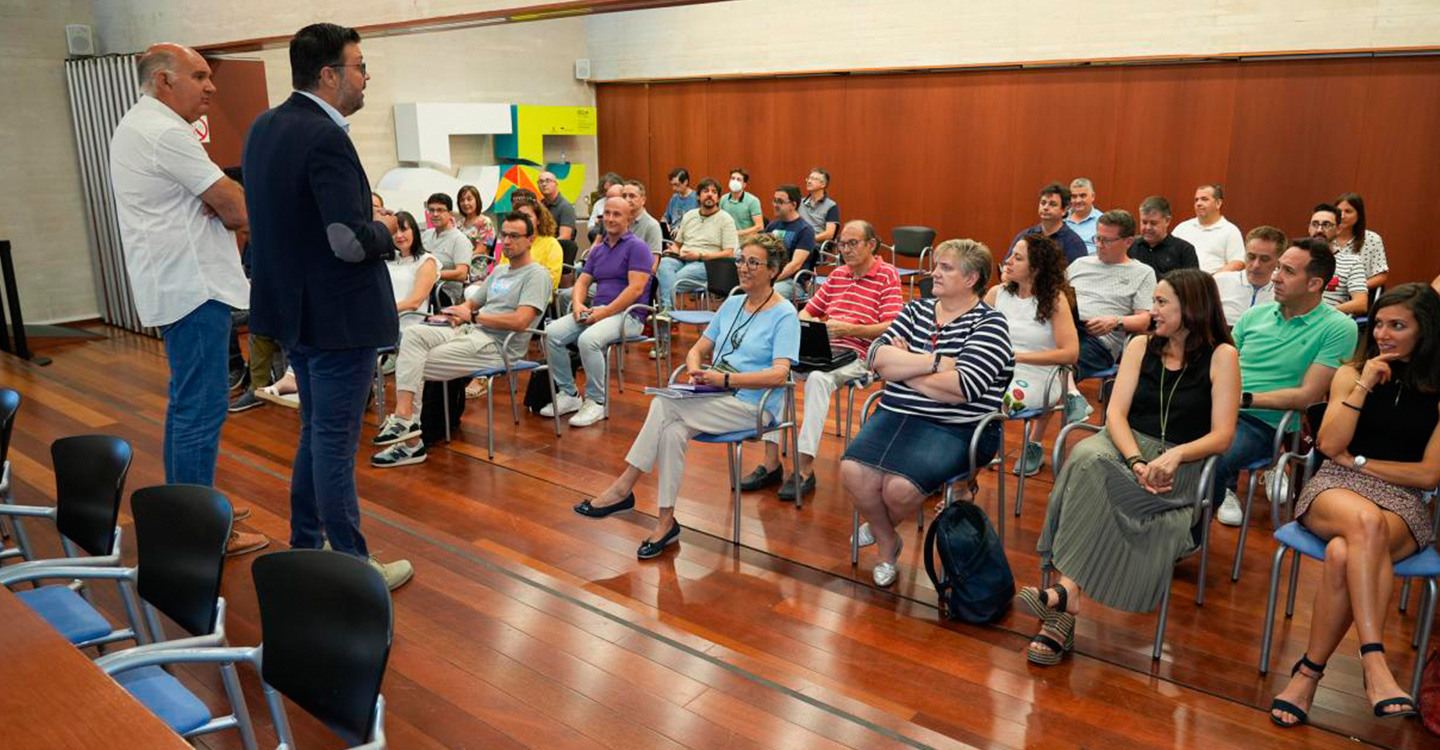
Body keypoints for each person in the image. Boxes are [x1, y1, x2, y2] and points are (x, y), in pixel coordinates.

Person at [243, 22, 410, 588]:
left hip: (294, 314)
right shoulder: (325, 137)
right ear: (330, 74)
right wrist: (386, 229)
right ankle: (352, 566)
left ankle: (306, 549)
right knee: (334, 444)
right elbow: (347, 241)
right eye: (360, 67)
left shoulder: (264, 127)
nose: (366, 79)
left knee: (316, 434)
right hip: (339, 318)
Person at [1023, 269, 1240, 665]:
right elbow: (1116, 416)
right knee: (1088, 457)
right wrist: (1136, 460)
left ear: (1190, 307)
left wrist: (1174, 455)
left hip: (1180, 463)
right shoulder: (1141, 346)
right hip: (1124, 447)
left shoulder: (1222, 356)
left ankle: (1062, 602)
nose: (1150, 311)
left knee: (1091, 471)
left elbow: (1223, 436)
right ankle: (1065, 599)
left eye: (1161, 303)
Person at [110, 42, 266, 556]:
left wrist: (219, 205)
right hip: (192, 287)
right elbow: (237, 208)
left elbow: (222, 206)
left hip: (180, 284)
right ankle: (199, 532)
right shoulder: (164, 132)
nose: (211, 86)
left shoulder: (140, 124)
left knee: (189, 407)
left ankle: (190, 508)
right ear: (163, 81)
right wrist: (225, 205)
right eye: (198, 76)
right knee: (200, 409)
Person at [1267, 283, 1440, 728]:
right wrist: (1365, 384)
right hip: (1334, 490)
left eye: (1397, 325)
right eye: (1380, 323)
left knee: (1347, 551)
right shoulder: (1352, 372)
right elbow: (1329, 445)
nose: (1383, 333)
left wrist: (1362, 464)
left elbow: (1428, 475)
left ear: (1427, 331)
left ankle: (1308, 673)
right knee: (1364, 521)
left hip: (1402, 502)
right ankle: (1374, 662)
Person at [572, 234, 799, 560]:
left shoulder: (785, 314)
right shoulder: (733, 303)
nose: (743, 268)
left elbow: (780, 375)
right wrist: (695, 371)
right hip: (716, 395)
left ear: (773, 270)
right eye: (741, 260)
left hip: (754, 405)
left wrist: (724, 377)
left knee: (664, 404)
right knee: (673, 431)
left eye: (753, 263)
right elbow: (697, 349)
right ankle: (665, 521)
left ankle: (623, 487)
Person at [843, 239, 1013, 587]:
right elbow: (876, 356)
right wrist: (933, 363)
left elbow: (964, 388)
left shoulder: (991, 324)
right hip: (896, 413)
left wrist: (902, 370)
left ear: (971, 278)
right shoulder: (915, 311)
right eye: (937, 265)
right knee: (852, 471)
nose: (933, 272)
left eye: (945, 267)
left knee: (899, 490)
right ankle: (888, 539)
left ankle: (880, 529)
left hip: (955, 427)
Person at [370, 212, 552, 467]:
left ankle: (411, 440)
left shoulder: (537, 275)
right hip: (469, 332)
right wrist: (454, 314)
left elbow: (521, 321)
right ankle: (405, 420)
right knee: (413, 335)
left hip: (498, 346)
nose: (507, 241)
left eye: (514, 236)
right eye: (504, 235)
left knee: (415, 362)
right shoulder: (500, 270)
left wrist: (474, 316)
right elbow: (472, 302)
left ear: (530, 239)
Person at [742, 220, 903, 501]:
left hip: (859, 353)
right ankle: (771, 464)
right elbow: (808, 312)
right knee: (780, 373)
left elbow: (892, 324)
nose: (846, 250)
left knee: (817, 380)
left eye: (853, 243)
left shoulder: (887, 275)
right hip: (824, 347)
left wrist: (850, 329)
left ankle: (804, 470)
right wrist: (808, 326)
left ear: (871, 245)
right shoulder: (838, 274)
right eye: (842, 244)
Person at [1213, 237, 1358, 527]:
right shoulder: (1255, 315)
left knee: (1212, 454)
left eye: (1288, 271)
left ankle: (1191, 530)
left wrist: (1243, 398)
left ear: (1315, 284)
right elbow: (1221, 362)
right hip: (1218, 404)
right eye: (1279, 267)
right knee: (1156, 436)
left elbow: (1308, 396)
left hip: (1263, 423)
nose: (1275, 277)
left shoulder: (1339, 327)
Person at [541, 198, 653, 427]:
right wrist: (579, 304)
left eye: (617, 214)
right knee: (551, 333)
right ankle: (569, 394)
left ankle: (596, 401)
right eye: (607, 214)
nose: (610, 219)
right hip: (598, 311)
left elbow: (636, 289)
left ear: (629, 219)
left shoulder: (638, 247)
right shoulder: (598, 250)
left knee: (588, 340)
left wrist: (603, 313)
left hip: (629, 315)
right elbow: (582, 282)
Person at [987, 232, 1080, 477]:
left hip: (1040, 375)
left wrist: (1017, 357)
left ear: (1036, 268)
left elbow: (1070, 353)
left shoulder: (1054, 299)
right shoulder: (998, 294)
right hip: (999, 369)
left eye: (1017, 258)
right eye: (1010, 255)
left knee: (989, 400)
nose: (1007, 261)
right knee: (959, 390)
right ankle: (975, 451)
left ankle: (1032, 444)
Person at [1067, 210, 1156, 378]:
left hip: (1096, 340)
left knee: (1060, 367)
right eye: (1097, 238)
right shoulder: (1080, 263)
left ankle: (1064, 395)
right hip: (1063, 328)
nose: (1099, 245)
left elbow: (1144, 320)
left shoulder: (1143, 273)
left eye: (1106, 240)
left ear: (1128, 242)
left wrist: (1116, 321)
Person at [656, 178, 738, 310]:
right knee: (663, 265)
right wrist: (674, 250)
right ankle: (668, 310)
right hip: (682, 258)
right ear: (698, 197)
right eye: (705, 191)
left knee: (674, 280)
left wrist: (700, 256)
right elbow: (678, 244)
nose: (710, 194)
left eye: (714, 192)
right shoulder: (690, 215)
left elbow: (729, 253)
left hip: (708, 263)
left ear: (718, 198)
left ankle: (667, 310)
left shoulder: (725, 219)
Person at [1215, 226, 1283, 327]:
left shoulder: (1285, 291)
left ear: (1278, 262)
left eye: (1264, 259)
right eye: (1251, 257)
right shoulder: (1218, 282)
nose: (1256, 265)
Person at [1309, 203, 1368, 315]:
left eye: (1326, 225)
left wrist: (1321, 314)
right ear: (1309, 228)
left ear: (1339, 229)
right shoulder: (1295, 258)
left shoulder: (1352, 262)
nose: (1319, 230)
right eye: (1315, 224)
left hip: (1328, 322)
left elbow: (1360, 304)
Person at [1173, 184, 1245, 274]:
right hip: (1182, 281)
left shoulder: (1230, 230)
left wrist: (1209, 280)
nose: (1198, 203)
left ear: (1218, 203)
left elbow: (1237, 262)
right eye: (1196, 200)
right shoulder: (1182, 228)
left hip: (1213, 284)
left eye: (1204, 199)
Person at [1009, 182, 1087, 264]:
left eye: (1052, 204)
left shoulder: (1074, 244)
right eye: (1043, 203)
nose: (1045, 207)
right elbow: (1007, 266)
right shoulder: (1024, 236)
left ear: (1064, 210)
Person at [765, 184, 818, 304]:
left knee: (767, 294)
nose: (775, 205)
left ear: (793, 205)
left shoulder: (805, 230)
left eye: (780, 201)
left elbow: (795, 265)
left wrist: (770, 279)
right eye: (774, 200)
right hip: (770, 276)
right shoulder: (772, 226)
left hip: (792, 281)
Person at [386, 211, 438, 326]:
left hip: (407, 321)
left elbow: (414, 302)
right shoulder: (390, 260)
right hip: (386, 317)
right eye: (394, 231)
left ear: (414, 231)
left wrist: (384, 311)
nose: (399, 235)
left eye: (403, 230)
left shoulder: (426, 261)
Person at [503, 190, 564, 287]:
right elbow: (500, 273)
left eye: (528, 217)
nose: (523, 221)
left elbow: (551, 282)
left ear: (538, 220)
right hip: (507, 291)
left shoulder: (551, 244)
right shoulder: (509, 243)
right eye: (519, 217)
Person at [1129, 195, 1199, 278]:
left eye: (1153, 223)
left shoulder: (1185, 250)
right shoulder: (1130, 245)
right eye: (1144, 222)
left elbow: (1192, 286)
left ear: (1167, 221)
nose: (1148, 227)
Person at [421, 192, 472, 305]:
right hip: (424, 285)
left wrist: (434, 274)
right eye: (431, 210)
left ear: (450, 213)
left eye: (440, 210)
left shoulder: (460, 240)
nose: (435, 214)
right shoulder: (426, 235)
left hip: (444, 292)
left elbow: (461, 274)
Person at [1334, 192, 1388, 290]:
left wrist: (1355, 288)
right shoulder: (1324, 237)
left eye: (1348, 211)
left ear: (1359, 215)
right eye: (1338, 211)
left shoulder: (1372, 239)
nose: (1342, 216)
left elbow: (1381, 276)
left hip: (1357, 293)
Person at [621, 179, 663, 260]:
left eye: (632, 196)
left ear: (643, 200)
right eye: (624, 196)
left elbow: (653, 265)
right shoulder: (619, 223)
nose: (627, 199)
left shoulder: (652, 226)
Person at [799, 168, 840, 245]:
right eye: (809, 178)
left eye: (814, 179)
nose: (809, 181)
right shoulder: (799, 203)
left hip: (815, 246)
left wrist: (808, 239)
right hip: (798, 243)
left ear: (823, 184)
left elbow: (829, 234)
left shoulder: (831, 206)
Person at [721, 167, 764, 238]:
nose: (734, 181)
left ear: (744, 184)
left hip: (746, 242)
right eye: (732, 178)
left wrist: (737, 233)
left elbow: (759, 227)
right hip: (727, 240)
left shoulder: (752, 201)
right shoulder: (723, 199)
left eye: (738, 179)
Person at [1064, 177, 1102, 255]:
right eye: (1074, 196)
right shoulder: (1061, 219)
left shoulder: (1103, 221)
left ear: (1093, 196)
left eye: (1082, 196)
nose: (1078, 200)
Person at [537, 171, 577, 241]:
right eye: (541, 181)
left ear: (556, 184)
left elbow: (565, 237)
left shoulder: (565, 207)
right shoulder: (539, 205)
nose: (544, 184)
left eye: (548, 181)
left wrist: (545, 247)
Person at [455, 184, 495, 254]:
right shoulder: (458, 224)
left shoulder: (486, 222)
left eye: (469, 199)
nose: (465, 203)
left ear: (477, 200)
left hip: (476, 262)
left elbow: (482, 250)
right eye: (462, 200)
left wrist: (462, 259)